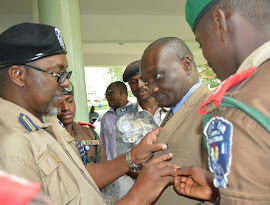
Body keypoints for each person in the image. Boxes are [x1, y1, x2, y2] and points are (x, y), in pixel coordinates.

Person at [0, 22, 178, 205]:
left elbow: (81, 176)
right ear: (18, 75)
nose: (66, 84)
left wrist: (133, 156)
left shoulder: (46, 121)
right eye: (56, 74)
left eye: (65, 74)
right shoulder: (10, 145)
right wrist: (140, 194)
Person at [174, 0, 270, 204]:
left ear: (220, 23)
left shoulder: (239, 109)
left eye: (201, 43)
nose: (206, 56)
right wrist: (223, 191)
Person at [140, 36, 212, 205]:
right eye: (147, 82)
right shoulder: (175, 110)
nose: (152, 89)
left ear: (186, 65)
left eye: (158, 76)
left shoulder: (214, 111)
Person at [114, 60, 169, 198]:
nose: (139, 85)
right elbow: (124, 160)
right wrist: (149, 177)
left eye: (143, 79)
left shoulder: (174, 110)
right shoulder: (122, 121)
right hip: (142, 191)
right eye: (133, 82)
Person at [57, 82, 107, 163]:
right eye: (59, 103)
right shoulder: (45, 137)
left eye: (70, 101)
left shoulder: (90, 135)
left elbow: (103, 168)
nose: (65, 108)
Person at [100, 81, 133, 161]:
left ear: (122, 92)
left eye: (109, 92)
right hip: (111, 169)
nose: (107, 96)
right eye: (106, 94)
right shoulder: (106, 117)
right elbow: (103, 145)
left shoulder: (137, 113)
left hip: (134, 169)